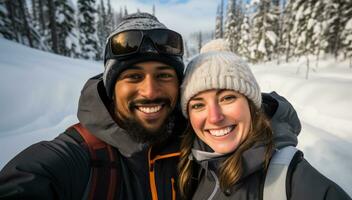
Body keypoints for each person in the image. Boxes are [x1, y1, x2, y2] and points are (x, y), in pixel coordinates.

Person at [0, 13, 299, 200]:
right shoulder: (79, 156)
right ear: (110, 86)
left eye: (164, 75)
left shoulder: (198, 135)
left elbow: (282, 116)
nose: (151, 91)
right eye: (133, 76)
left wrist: (254, 109)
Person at [178, 39, 351, 200]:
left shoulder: (291, 178)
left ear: (252, 105)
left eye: (227, 98)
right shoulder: (187, 166)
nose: (215, 117)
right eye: (198, 105)